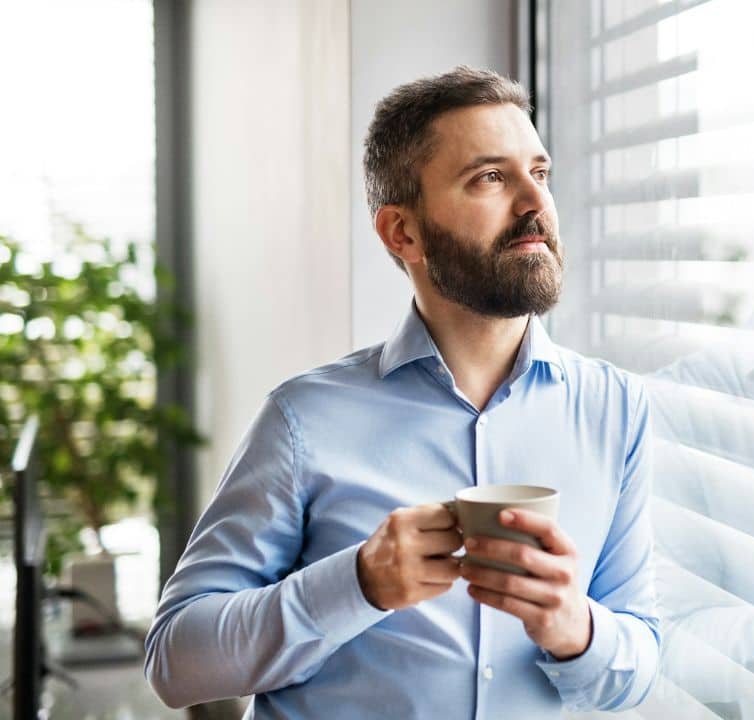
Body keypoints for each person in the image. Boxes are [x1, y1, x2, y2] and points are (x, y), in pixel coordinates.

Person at [144, 66, 661, 719]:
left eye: (540, 172)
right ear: (403, 233)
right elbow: (174, 663)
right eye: (491, 178)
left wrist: (575, 630)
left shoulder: (616, 409)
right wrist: (357, 584)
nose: (535, 203)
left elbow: (637, 666)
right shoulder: (305, 419)